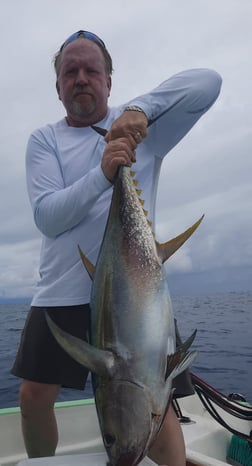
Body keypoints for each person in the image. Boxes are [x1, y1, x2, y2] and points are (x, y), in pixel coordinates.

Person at [11, 30, 222, 465]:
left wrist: (140, 109)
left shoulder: (144, 128)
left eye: (92, 70)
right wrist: (105, 172)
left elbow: (210, 82)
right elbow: (48, 216)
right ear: (58, 88)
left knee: (160, 414)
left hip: (137, 296)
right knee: (33, 399)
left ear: (109, 80)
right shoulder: (44, 140)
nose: (81, 78)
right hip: (60, 292)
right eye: (71, 72)